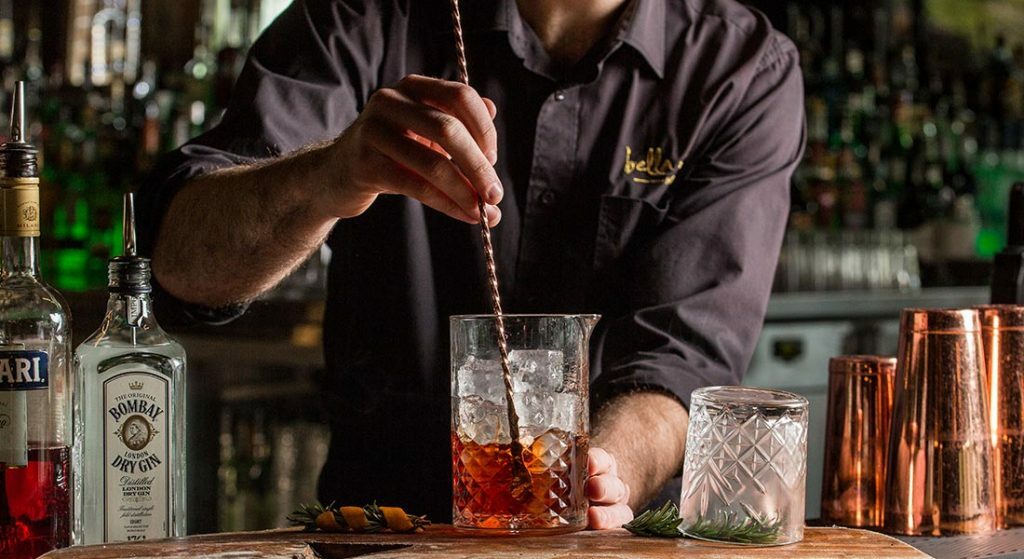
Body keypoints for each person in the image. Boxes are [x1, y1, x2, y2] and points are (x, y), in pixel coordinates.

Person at [137, 0, 805, 529]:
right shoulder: (365, 16)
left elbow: (679, 364)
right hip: (379, 534)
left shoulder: (739, 70)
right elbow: (178, 265)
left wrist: (602, 473)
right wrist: (328, 175)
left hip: (599, 547)